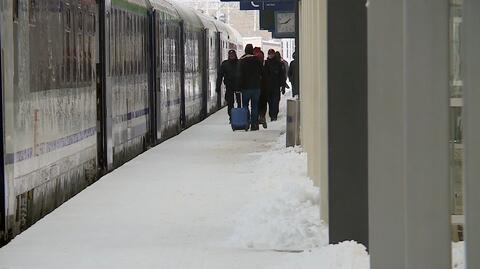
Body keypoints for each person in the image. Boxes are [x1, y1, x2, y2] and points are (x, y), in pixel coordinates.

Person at [237, 44, 263, 131]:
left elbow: (239, 75)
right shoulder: (257, 60)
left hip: (245, 88)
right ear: (252, 50)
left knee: (245, 105)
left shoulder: (242, 61)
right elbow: (261, 72)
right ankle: (254, 124)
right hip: (256, 87)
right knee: (255, 106)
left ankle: (247, 122)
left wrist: (239, 86)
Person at [216, 50, 239, 121]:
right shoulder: (225, 64)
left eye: (233, 55)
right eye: (231, 55)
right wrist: (218, 86)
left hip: (238, 86)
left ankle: (239, 116)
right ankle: (232, 117)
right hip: (229, 86)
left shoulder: (239, 63)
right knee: (230, 102)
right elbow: (220, 76)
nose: (232, 56)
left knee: (238, 101)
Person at [264, 49, 286, 121]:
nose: (270, 55)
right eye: (269, 54)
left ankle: (274, 115)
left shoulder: (279, 63)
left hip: (276, 85)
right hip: (268, 86)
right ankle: (272, 114)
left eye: (271, 54)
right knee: (270, 101)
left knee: (276, 101)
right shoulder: (266, 63)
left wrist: (283, 86)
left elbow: (282, 75)